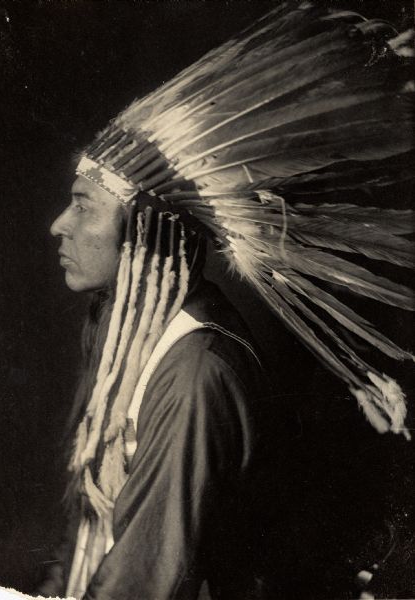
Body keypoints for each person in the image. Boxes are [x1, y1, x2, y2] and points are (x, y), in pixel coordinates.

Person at [40, 3, 414, 599]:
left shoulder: (195, 372)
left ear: (141, 232)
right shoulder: (117, 327)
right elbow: (90, 525)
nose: (59, 224)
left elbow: (142, 585)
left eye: (84, 204)